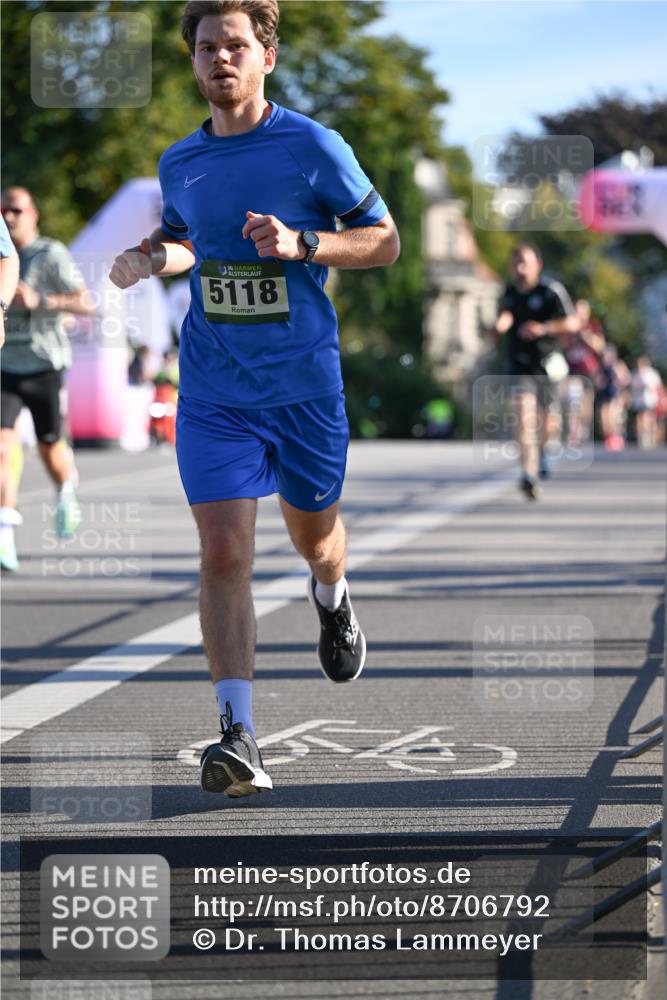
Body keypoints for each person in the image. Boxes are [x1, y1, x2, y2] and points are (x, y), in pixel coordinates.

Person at [110, 0, 399, 798]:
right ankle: (238, 733)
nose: (220, 59)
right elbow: (183, 238)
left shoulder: (312, 146)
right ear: (194, 61)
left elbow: (383, 239)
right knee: (223, 552)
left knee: (315, 537)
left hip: (303, 386)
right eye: (206, 47)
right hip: (214, 388)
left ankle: (331, 596)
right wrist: (147, 258)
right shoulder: (180, 161)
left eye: (235, 45)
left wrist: (307, 242)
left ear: (265, 55)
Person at [0, 187, 95, 572]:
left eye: (16, 209)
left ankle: (65, 489)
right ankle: (5, 531)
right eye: (2, 209)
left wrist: (42, 301)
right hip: (5, 365)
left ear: (33, 213)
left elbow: (86, 303)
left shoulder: (49, 253)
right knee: (2, 447)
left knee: (48, 448)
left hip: (44, 364)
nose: (8, 216)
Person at [491, 243, 578, 499]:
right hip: (519, 364)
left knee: (548, 420)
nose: (520, 268)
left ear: (537, 265)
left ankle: (546, 451)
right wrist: (498, 327)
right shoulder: (508, 292)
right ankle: (528, 473)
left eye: (524, 263)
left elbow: (572, 321)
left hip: (546, 363)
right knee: (523, 417)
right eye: (516, 263)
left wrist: (543, 329)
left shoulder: (551, 291)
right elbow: (505, 315)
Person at [630, 356, 664, 449]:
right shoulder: (635, 374)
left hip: (650, 400)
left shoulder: (651, 374)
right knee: (640, 418)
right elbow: (631, 386)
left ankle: (651, 437)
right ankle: (642, 437)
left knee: (650, 418)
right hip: (639, 401)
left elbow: (658, 386)